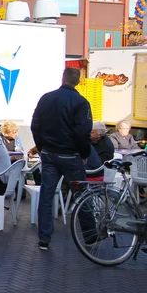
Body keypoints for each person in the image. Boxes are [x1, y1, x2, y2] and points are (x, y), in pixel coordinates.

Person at [31, 67, 94, 251]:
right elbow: (83, 132)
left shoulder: (46, 98)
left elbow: (36, 125)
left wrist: (42, 147)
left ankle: (44, 238)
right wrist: (84, 154)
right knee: (81, 194)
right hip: (71, 155)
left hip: (49, 154)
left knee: (46, 195)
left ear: (63, 78)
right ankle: (90, 235)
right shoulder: (81, 102)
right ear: (78, 81)